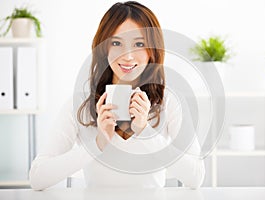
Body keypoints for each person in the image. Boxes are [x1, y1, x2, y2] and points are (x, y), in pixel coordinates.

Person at [29, 1, 205, 190]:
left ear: (152, 51)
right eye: (116, 43)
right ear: (104, 48)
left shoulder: (168, 101)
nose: (128, 55)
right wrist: (97, 144)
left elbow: (195, 177)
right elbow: (37, 177)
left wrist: (145, 130)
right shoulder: (82, 103)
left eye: (139, 44)